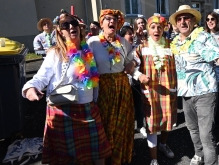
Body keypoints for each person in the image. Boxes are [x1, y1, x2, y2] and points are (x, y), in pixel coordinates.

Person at [22, 12, 111, 164]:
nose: (71, 26)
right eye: (65, 25)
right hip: (64, 110)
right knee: (65, 158)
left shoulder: (87, 52)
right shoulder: (56, 53)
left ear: (80, 28)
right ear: (60, 32)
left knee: (98, 153)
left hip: (88, 109)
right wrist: (30, 88)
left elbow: (95, 78)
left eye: (74, 24)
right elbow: (41, 76)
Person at [169, 5, 219, 165]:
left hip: (205, 93)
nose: (182, 21)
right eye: (179, 19)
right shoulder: (175, 42)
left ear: (193, 20)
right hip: (186, 93)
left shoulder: (202, 37)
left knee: (206, 135)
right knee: (192, 129)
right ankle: (199, 154)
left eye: (186, 18)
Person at [87, 9, 136, 165]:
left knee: (120, 125)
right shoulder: (93, 42)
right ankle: (103, 158)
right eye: (107, 19)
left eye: (114, 19)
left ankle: (118, 157)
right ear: (101, 23)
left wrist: (132, 63)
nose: (111, 22)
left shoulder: (123, 42)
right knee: (104, 125)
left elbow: (133, 58)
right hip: (102, 88)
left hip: (122, 87)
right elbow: (85, 66)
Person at [132, 14, 177, 165]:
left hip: (169, 92)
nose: (156, 30)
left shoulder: (171, 45)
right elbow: (130, 65)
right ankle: (153, 158)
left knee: (167, 122)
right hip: (151, 93)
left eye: (159, 27)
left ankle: (163, 145)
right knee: (152, 126)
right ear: (148, 30)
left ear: (164, 29)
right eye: (153, 27)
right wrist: (139, 75)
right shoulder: (142, 48)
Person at [118, 25, 147, 137]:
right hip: (123, 83)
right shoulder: (118, 48)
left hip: (135, 82)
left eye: (132, 33)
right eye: (129, 33)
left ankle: (140, 126)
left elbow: (143, 48)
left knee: (139, 106)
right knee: (127, 109)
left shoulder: (135, 47)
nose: (132, 35)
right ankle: (129, 130)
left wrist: (141, 38)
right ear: (123, 36)